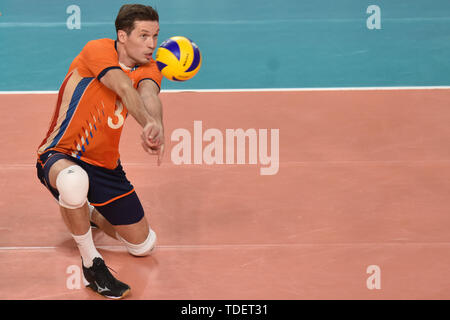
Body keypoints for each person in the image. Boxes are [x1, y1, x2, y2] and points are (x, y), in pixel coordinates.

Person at [36, 4, 164, 299]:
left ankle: (87, 211)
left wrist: (156, 125)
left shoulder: (150, 66)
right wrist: (145, 122)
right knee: (73, 181)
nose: (151, 44)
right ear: (122, 35)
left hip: (106, 168)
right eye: (143, 36)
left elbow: (148, 94)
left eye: (155, 36)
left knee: (144, 246)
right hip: (61, 153)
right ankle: (91, 263)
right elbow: (124, 88)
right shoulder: (97, 50)